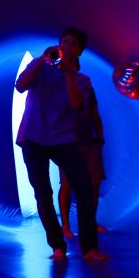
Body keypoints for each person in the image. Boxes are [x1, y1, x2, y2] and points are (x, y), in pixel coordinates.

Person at [15, 27, 108, 262]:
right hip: (33, 137)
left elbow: (76, 105)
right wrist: (40, 61)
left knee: (85, 188)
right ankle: (57, 246)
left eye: (73, 44)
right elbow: (21, 85)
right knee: (43, 193)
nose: (67, 46)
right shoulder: (41, 68)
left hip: (62, 138)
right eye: (64, 41)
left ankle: (89, 248)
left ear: (79, 52)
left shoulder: (81, 80)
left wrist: (67, 74)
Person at [57, 62, 107, 238]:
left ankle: (90, 222)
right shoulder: (58, 85)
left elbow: (94, 113)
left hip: (88, 139)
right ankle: (65, 226)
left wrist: (99, 137)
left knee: (94, 183)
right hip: (67, 140)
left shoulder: (87, 86)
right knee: (67, 183)